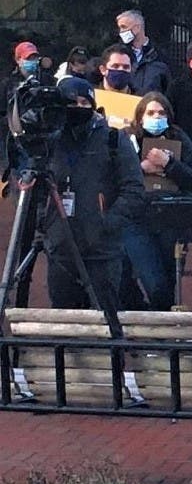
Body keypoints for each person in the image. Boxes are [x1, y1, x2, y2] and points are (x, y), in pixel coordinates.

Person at [8, 77, 146, 313]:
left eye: (85, 102)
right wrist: (46, 224)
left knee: (106, 317)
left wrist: (107, 223)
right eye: (71, 102)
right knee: (64, 321)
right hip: (61, 250)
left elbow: (134, 190)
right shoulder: (49, 142)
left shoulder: (114, 139)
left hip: (103, 251)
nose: (79, 108)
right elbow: (28, 190)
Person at [121, 91, 192, 311]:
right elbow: (112, 180)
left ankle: (161, 336)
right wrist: (141, 169)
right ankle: (142, 314)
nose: (156, 117)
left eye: (161, 112)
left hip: (170, 217)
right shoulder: (126, 138)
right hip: (136, 220)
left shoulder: (179, 137)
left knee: (168, 287)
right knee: (154, 283)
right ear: (140, 117)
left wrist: (169, 164)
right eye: (150, 113)